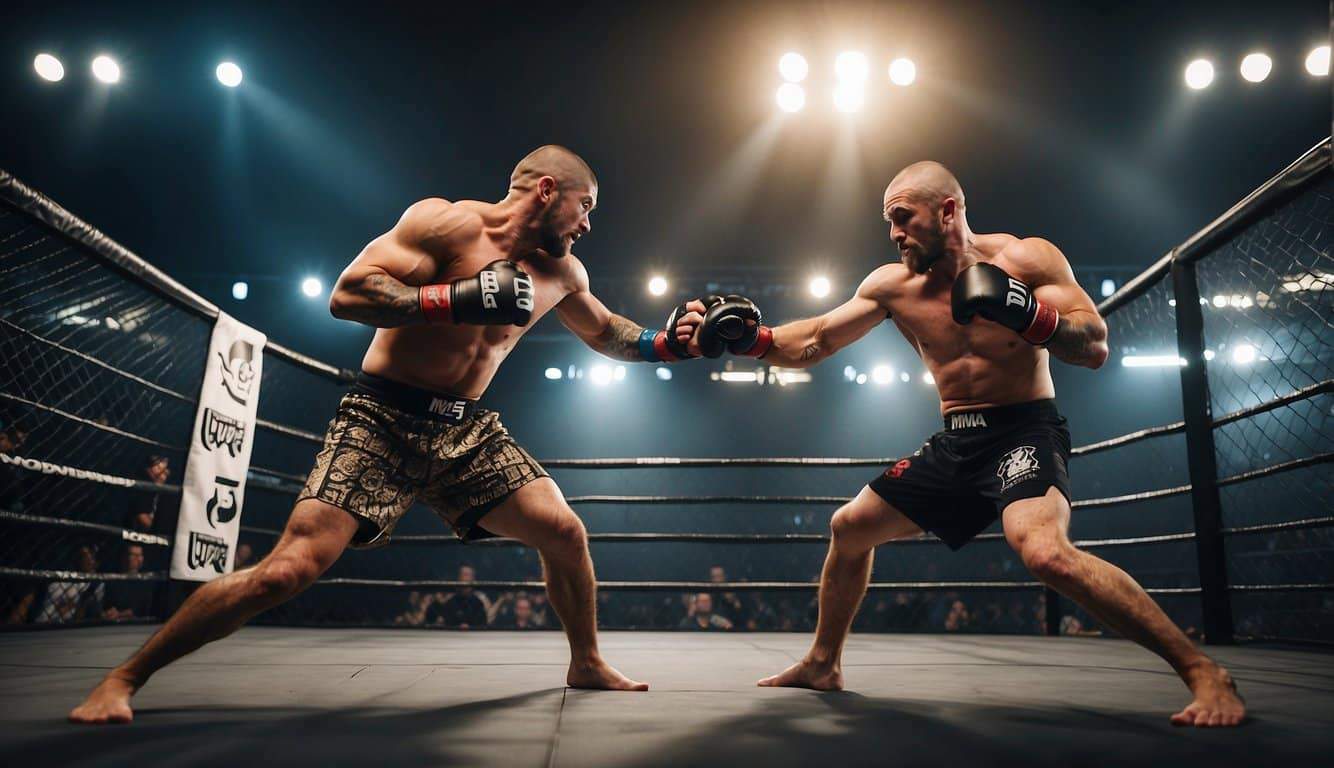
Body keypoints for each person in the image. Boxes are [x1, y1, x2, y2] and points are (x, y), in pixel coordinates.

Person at [71, 145, 716, 724]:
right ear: (548, 190)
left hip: (467, 432)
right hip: (381, 418)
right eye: (585, 206)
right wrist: (453, 297)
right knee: (285, 572)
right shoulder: (447, 223)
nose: (588, 223)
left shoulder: (562, 273)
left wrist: (670, 345)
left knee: (564, 530)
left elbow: (608, 333)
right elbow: (347, 295)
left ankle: (586, 662)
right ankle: (125, 676)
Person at [701, 161, 1243, 727]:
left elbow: (1094, 345)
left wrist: (1030, 315)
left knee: (1044, 553)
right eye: (889, 222)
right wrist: (753, 339)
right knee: (849, 528)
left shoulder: (1027, 259)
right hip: (956, 443)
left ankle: (1202, 669)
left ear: (948, 211)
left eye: (903, 218)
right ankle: (822, 662)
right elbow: (814, 338)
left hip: (1024, 431)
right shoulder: (892, 285)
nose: (894, 233)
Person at [103, 545, 154, 621]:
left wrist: (120, 614)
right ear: (124, 557)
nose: (138, 558)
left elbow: (142, 609)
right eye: (133, 555)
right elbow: (107, 605)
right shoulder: (113, 580)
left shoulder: (146, 582)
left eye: (140, 555)